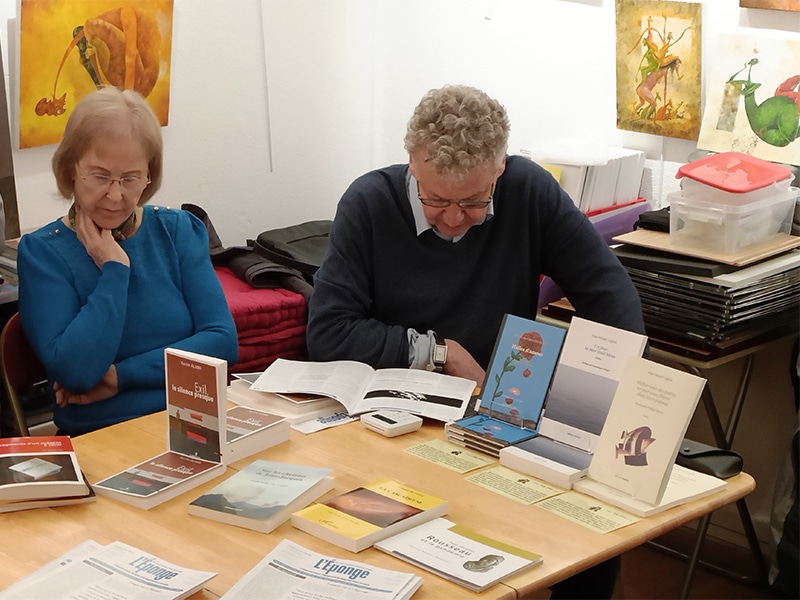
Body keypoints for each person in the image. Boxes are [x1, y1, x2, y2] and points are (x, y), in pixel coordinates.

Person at [307, 84, 646, 598]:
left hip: (495, 409)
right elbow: (329, 332)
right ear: (412, 165)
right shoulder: (370, 202)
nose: (451, 218)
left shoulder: (528, 191)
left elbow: (609, 292)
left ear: (501, 168)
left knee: (593, 532)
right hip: (393, 420)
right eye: (435, 199)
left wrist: (606, 388)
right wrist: (440, 353)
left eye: (472, 201)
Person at [17, 86, 238, 437]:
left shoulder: (178, 231)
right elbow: (76, 372)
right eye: (100, 176)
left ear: (150, 174)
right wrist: (115, 270)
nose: (116, 195)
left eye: (131, 178)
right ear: (71, 168)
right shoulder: (43, 253)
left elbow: (222, 343)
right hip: (102, 437)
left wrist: (122, 377)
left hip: (194, 422)